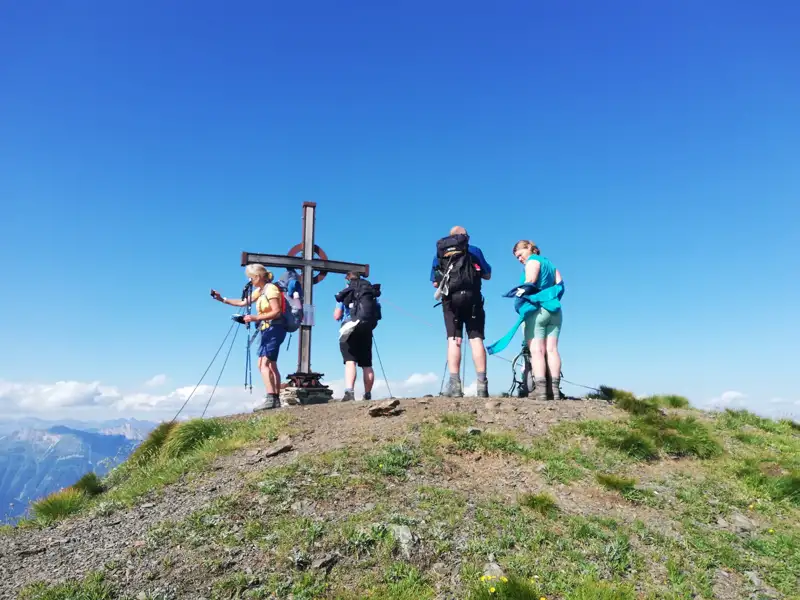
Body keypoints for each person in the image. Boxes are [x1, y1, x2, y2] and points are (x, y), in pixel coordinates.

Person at [210, 264, 287, 411]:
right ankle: (275, 399)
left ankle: (271, 398)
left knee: (263, 364)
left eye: (250, 278)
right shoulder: (262, 290)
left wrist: (255, 317)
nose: (249, 281)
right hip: (269, 329)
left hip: (273, 328)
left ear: (257, 277)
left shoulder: (270, 289)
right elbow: (243, 302)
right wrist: (222, 299)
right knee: (271, 364)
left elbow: (276, 312)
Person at [430, 226, 491, 398]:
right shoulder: (474, 251)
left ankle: (455, 386)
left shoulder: (440, 253)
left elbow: (435, 282)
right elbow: (487, 274)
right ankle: (482, 386)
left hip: (450, 300)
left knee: (453, 340)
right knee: (476, 339)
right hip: (473, 299)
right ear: (465, 237)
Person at [512, 240, 563, 401]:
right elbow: (560, 285)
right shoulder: (550, 264)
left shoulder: (532, 261)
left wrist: (518, 298)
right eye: (517, 258)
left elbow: (531, 282)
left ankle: (540, 391)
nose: (520, 259)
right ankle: (554, 390)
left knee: (537, 351)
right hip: (554, 310)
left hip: (537, 311)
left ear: (529, 248)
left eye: (520, 255)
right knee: (552, 350)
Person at [333, 272, 381, 402]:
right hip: (366, 328)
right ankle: (368, 394)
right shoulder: (370, 293)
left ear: (348, 280)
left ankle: (349, 393)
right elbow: (377, 312)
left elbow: (337, 315)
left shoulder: (347, 292)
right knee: (367, 364)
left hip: (349, 327)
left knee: (350, 361)